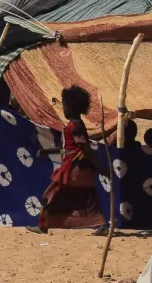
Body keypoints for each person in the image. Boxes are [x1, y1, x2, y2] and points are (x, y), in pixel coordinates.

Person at [38, 85, 106, 229]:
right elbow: (69, 148)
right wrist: (47, 151)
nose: (64, 109)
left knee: (51, 195)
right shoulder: (76, 125)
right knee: (87, 197)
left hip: (74, 167)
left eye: (65, 106)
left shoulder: (74, 126)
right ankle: (100, 224)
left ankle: (44, 225)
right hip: (80, 166)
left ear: (72, 106)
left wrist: (99, 166)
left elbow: (83, 146)